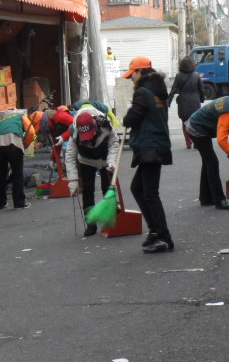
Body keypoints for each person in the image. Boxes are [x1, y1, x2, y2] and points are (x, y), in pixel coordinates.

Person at [121, 56, 174, 253]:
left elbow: (133, 117)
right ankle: (154, 230)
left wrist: (126, 117)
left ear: (140, 72)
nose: (131, 79)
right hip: (156, 144)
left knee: (150, 193)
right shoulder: (158, 91)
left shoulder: (143, 92)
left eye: (132, 75)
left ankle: (164, 237)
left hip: (150, 146)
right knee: (138, 188)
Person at [64, 108, 121, 236]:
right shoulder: (74, 132)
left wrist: (111, 161)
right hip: (86, 160)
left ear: (95, 125)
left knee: (107, 188)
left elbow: (114, 142)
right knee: (87, 190)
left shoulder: (105, 124)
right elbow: (70, 157)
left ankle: (110, 220)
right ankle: (91, 224)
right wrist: (73, 182)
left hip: (105, 158)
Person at [0, 107, 37, 210]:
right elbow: (31, 132)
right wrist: (24, 145)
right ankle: (19, 203)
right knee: (17, 174)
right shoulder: (20, 115)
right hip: (14, 142)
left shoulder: (0, 121)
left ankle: (0, 203)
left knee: (0, 175)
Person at [166, 56, 205, 149]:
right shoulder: (196, 75)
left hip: (183, 102)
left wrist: (168, 102)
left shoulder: (179, 76)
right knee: (195, 122)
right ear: (192, 65)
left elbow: (173, 90)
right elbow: (201, 89)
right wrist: (202, 99)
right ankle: (196, 142)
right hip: (195, 102)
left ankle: (188, 142)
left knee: (185, 122)